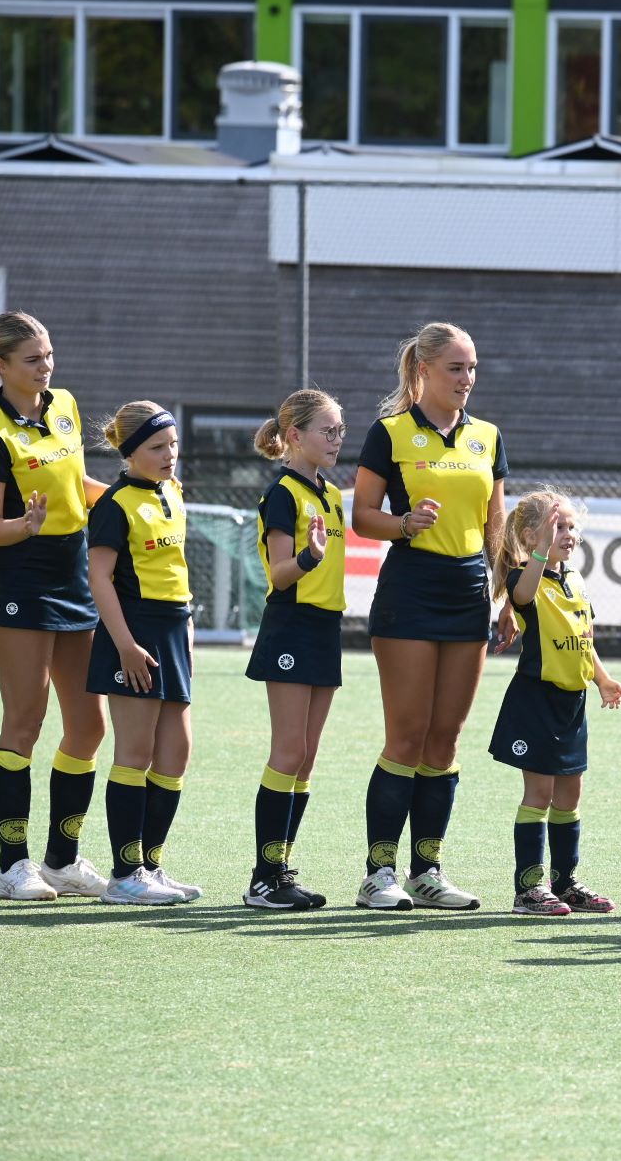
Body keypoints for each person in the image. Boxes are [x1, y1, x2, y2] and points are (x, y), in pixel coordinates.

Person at [352, 322, 504, 912]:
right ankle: (378, 874)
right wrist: (403, 523)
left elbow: (496, 526)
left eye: (472, 368)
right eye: (456, 368)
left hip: (468, 595)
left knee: (444, 740)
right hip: (410, 592)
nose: (467, 379)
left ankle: (427, 871)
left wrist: (509, 599)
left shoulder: (487, 436)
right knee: (408, 735)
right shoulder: (389, 433)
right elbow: (363, 516)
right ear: (424, 370)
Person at [0, 311, 111, 902]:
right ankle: (12, 867)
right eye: (32, 359)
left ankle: (61, 861)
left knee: (89, 725)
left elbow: (77, 486)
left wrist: (129, 494)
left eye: (48, 354)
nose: (45, 366)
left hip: (74, 575)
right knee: (25, 721)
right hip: (20, 581)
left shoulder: (65, 405)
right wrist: (23, 526)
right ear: (0, 364)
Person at [489, 490, 621, 915]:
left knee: (570, 795)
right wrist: (539, 553)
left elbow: (584, 639)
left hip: (572, 703)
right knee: (539, 793)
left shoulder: (575, 579)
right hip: (536, 700)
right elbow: (523, 596)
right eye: (557, 527)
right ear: (532, 536)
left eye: (571, 526)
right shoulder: (524, 577)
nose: (568, 534)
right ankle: (528, 888)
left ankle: (564, 883)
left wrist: (602, 679)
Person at [86, 402, 199, 906]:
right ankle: (125, 874)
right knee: (135, 754)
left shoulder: (173, 491)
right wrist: (125, 645)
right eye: (157, 447)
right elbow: (99, 579)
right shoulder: (114, 504)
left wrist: (187, 627)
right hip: (133, 635)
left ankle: (150, 866)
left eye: (173, 444)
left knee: (175, 753)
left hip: (174, 632)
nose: (169, 454)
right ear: (130, 452)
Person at [242, 389, 347, 910]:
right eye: (327, 431)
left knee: (305, 758)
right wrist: (310, 556)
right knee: (288, 751)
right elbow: (281, 574)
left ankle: (280, 869)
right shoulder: (282, 493)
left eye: (340, 430)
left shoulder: (333, 493)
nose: (336, 439)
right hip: (292, 626)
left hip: (326, 626)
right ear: (294, 436)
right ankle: (263, 879)